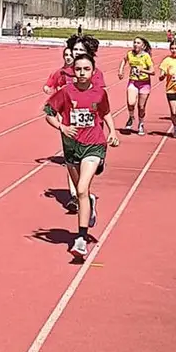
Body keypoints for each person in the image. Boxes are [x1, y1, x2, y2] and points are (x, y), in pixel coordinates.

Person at [44, 53, 119, 260]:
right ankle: (90, 203)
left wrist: (112, 131)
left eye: (86, 69)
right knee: (80, 193)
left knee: (83, 188)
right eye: (78, 69)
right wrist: (62, 126)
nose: (82, 73)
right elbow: (48, 113)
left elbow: (105, 113)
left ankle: (80, 239)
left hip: (94, 145)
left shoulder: (99, 93)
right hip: (71, 147)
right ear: (73, 71)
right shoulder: (66, 92)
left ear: (93, 72)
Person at [43, 35, 105, 213]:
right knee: (71, 161)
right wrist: (51, 90)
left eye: (80, 50)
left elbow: (100, 98)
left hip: (92, 127)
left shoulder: (94, 73)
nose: (75, 53)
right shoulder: (64, 72)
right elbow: (54, 87)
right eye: (74, 50)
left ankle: (82, 193)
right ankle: (76, 197)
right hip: (70, 125)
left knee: (86, 162)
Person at [117, 37, 154, 135]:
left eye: (138, 43)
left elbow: (152, 71)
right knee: (131, 102)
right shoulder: (130, 54)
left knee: (141, 107)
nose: (135, 44)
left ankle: (141, 123)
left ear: (143, 46)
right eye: (134, 42)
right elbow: (124, 60)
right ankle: (131, 117)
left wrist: (142, 70)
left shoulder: (146, 56)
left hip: (144, 83)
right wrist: (121, 70)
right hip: (133, 81)